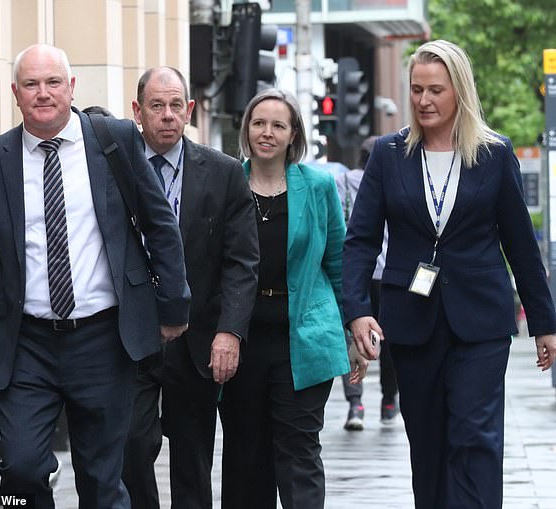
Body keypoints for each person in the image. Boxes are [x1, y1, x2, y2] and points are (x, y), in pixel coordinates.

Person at [0, 44, 190, 509]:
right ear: (15, 94)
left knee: (102, 478)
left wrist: (173, 306)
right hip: (26, 345)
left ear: (71, 87)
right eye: (32, 85)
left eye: (53, 83)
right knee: (21, 468)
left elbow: (161, 226)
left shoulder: (114, 140)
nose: (44, 94)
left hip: (103, 338)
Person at [341, 39, 556, 509]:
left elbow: (520, 243)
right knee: (429, 442)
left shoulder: (495, 154)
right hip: (413, 319)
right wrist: (356, 311)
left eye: (435, 90)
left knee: (474, 437)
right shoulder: (388, 154)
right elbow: (360, 239)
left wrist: (545, 322)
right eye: (417, 89)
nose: (423, 101)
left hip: (481, 320)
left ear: (460, 91)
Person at [122, 67, 259, 509]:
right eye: (156, 106)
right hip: (129, 339)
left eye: (175, 105)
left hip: (196, 339)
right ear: (137, 111)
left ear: (190, 111)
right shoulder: (113, 170)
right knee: (132, 448)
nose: (167, 115)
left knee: (193, 461)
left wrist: (229, 331)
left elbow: (241, 263)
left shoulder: (222, 174)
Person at [219, 88, 361, 509]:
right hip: (241, 342)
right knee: (246, 454)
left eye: (278, 125)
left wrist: (352, 332)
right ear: (246, 129)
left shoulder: (317, 187)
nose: (267, 132)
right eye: (259, 123)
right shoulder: (229, 182)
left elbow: (337, 261)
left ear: (293, 133)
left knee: (298, 449)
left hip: (303, 337)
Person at [338, 136, 399, 430]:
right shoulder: (395, 181)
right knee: (388, 341)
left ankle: (355, 402)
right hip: (388, 274)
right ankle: (389, 400)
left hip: (355, 273)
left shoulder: (342, 182)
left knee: (352, 337)